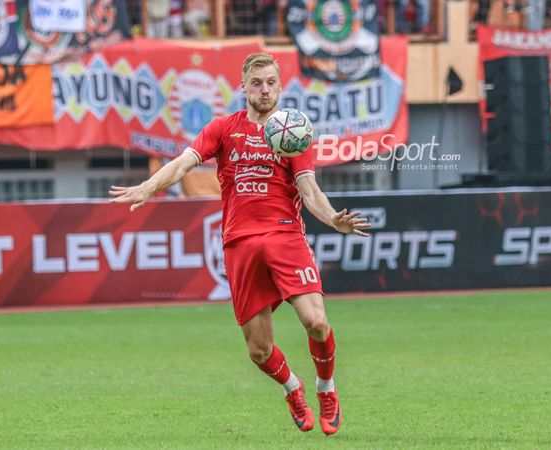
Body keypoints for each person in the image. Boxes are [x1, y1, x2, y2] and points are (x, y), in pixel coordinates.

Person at [110, 53, 370, 435]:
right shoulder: (223, 129)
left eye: (270, 83)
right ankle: (293, 389)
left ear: (280, 87)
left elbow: (308, 189)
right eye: (256, 83)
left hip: (285, 236)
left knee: (316, 321)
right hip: (241, 243)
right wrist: (149, 187)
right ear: (244, 87)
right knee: (259, 351)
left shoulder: (293, 132)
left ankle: (326, 390)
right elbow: (183, 162)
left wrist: (332, 219)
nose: (264, 90)